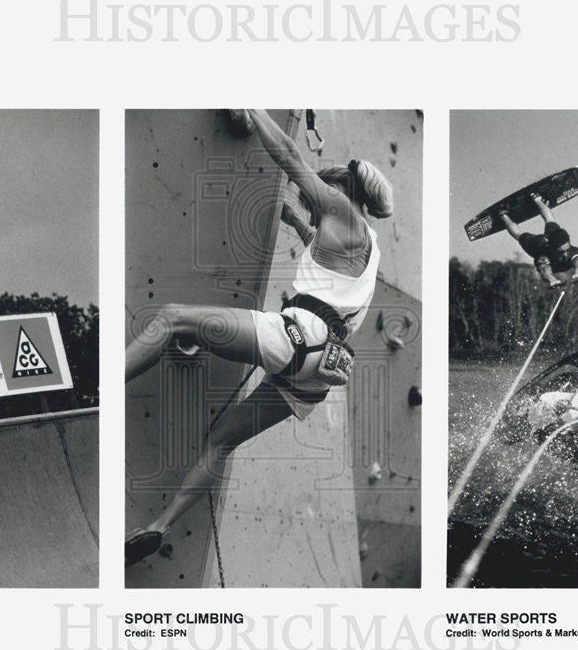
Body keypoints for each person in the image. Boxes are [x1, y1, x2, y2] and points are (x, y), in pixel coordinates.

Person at [125, 108, 393, 566]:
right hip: (317, 374)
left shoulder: (339, 205)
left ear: (344, 191)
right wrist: (296, 223)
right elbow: (329, 267)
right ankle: (158, 525)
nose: (317, 198)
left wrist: (251, 106)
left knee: (171, 318)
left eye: (324, 190)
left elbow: (289, 153)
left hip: (293, 338)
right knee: (222, 441)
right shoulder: (367, 246)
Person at [499, 194, 578, 288]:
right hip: (539, 246)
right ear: (553, 249)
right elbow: (545, 269)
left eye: (567, 251)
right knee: (521, 234)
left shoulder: (572, 250)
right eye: (561, 252)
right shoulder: (543, 255)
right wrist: (551, 279)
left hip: (551, 241)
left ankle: (503, 216)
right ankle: (537, 199)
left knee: (549, 223)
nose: (565, 255)